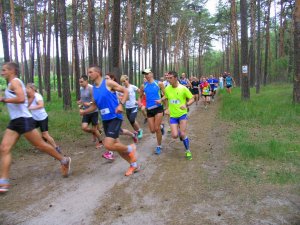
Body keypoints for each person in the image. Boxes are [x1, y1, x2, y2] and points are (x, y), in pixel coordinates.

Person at [0, 62, 71, 193]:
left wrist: (3, 99)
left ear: (12, 71)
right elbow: (27, 97)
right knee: (4, 148)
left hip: (23, 119)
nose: (2, 72)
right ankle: (3, 181)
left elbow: (21, 98)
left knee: (40, 145)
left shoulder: (15, 82)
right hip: (15, 121)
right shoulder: (11, 84)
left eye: (4, 70)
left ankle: (64, 160)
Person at [80, 66, 139, 176]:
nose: (89, 74)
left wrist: (121, 105)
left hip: (115, 116)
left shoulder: (108, 83)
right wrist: (85, 112)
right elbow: (95, 106)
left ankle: (131, 148)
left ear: (98, 73)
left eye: (91, 72)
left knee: (108, 144)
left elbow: (125, 91)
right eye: (88, 72)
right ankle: (134, 165)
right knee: (116, 145)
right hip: (105, 119)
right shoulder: (94, 89)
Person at [162, 71, 195, 160]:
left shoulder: (183, 88)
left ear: (176, 78)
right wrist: (166, 108)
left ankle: (188, 150)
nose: (168, 80)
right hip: (173, 115)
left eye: (170, 78)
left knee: (183, 133)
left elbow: (192, 98)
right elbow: (166, 98)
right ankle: (181, 134)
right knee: (174, 135)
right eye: (167, 78)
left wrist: (187, 104)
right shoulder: (167, 88)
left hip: (182, 114)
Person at [26, 83, 61, 153]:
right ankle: (41, 145)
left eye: (27, 88)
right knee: (30, 131)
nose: (26, 90)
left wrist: (30, 107)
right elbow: (26, 104)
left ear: (32, 89)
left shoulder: (37, 96)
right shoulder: (30, 96)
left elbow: (41, 105)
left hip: (42, 118)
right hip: (35, 119)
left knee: (45, 134)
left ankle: (56, 148)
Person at [139, 68, 165, 155]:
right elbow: (140, 96)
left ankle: (159, 146)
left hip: (158, 108)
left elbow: (166, 95)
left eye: (147, 73)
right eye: (145, 74)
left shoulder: (159, 83)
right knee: (152, 130)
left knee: (156, 129)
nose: (146, 75)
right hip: (149, 109)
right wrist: (140, 103)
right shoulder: (143, 86)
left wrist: (161, 100)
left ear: (152, 74)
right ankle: (161, 127)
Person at [77, 75, 103, 149]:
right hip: (86, 112)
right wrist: (80, 108)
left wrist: (90, 103)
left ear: (86, 81)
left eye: (82, 82)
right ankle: (96, 132)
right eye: (79, 82)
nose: (80, 83)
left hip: (93, 111)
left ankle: (100, 141)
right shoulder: (81, 89)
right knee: (84, 127)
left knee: (94, 128)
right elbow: (82, 101)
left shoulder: (91, 88)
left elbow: (95, 101)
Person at [120, 75, 143, 139]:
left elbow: (141, 92)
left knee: (132, 119)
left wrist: (139, 101)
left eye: (125, 81)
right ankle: (136, 132)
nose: (124, 82)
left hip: (134, 106)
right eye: (122, 82)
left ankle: (140, 130)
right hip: (127, 107)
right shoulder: (122, 88)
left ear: (128, 80)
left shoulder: (132, 87)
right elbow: (121, 96)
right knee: (131, 121)